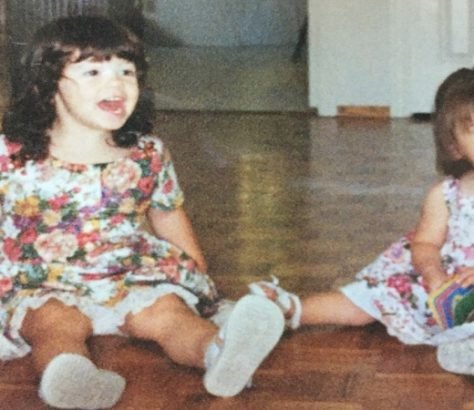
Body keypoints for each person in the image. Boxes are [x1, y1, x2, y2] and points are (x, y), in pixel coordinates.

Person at [0, 15, 284, 409]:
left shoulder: (147, 154)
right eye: (93, 71)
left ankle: (220, 354)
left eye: (126, 71)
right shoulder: (12, 155)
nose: (115, 83)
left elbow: (167, 213)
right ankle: (71, 376)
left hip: (128, 272)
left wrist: (196, 272)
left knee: (169, 315)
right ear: (47, 86)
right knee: (54, 324)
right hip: (43, 279)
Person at [249, 67, 474, 376]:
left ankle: (465, 349)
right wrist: (434, 274)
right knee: (369, 298)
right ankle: (288, 309)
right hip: (448, 292)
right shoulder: (446, 196)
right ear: (454, 146)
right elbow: (424, 244)